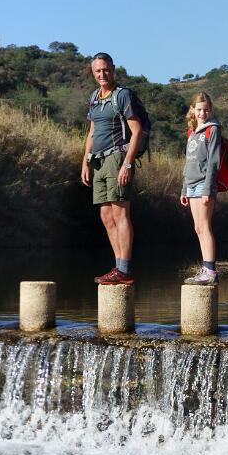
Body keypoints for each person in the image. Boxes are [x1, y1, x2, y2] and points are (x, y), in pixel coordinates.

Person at [80, 52, 145, 285]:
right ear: (93, 72)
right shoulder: (94, 97)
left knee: (120, 213)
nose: (102, 74)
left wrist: (127, 163)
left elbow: (137, 131)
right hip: (97, 161)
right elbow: (92, 132)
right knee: (106, 215)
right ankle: (118, 267)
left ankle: (124, 269)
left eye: (106, 70)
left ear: (113, 69)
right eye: (98, 71)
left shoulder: (122, 95)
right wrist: (85, 162)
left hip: (117, 158)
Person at [181, 93, 223, 285]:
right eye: (199, 109)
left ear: (210, 110)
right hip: (191, 185)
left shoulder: (213, 130)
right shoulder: (192, 131)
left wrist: (207, 189)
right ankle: (206, 269)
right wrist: (184, 189)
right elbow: (188, 162)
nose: (202, 113)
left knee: (204, 226)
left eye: (206, 110)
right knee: (198, 227)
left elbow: (214, 162)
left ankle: (210, 271)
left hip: (204, 185)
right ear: (192, 109)